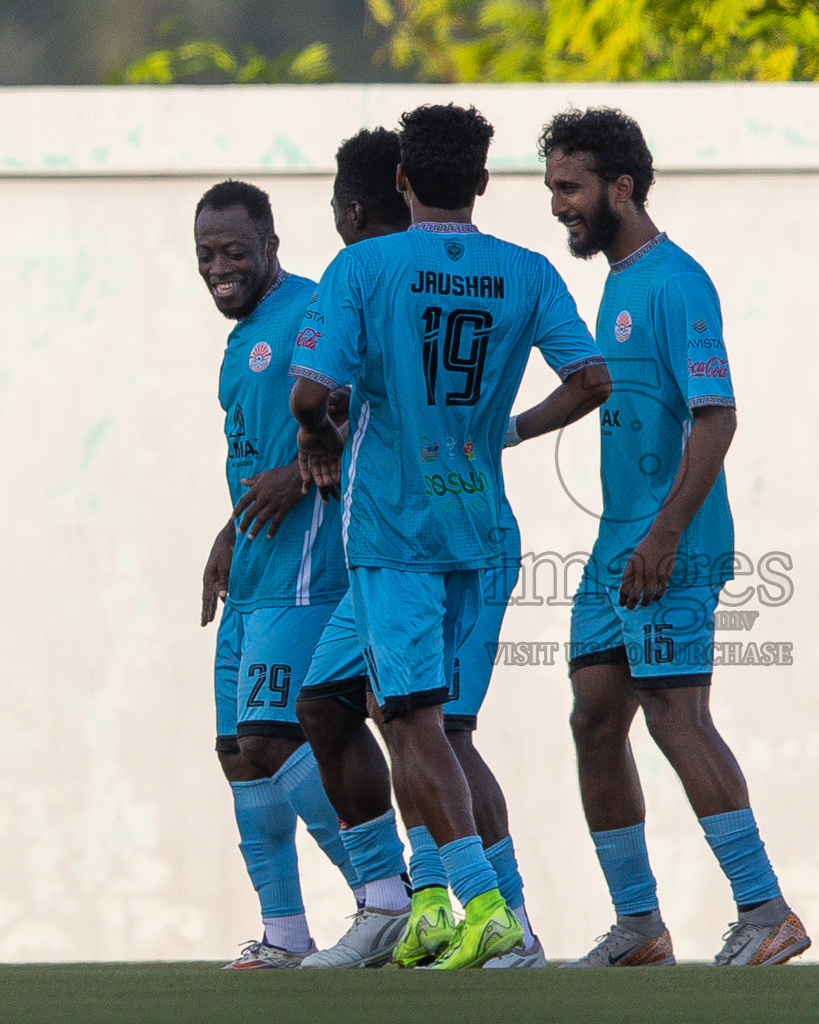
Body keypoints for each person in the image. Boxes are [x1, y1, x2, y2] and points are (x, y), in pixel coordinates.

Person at [288, 103, 611, 970]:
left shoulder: (364, 267)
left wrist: (319, 432)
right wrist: (506, 430)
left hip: (395, 533)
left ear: (400, 179)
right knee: (345, 704)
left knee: (417, 722)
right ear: (480, 180)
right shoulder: (530, 271)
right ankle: (429, 907)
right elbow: (590, 380)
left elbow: (310, 392)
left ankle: (484, 906)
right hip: (481, 525)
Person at [539, 107, 810, 968]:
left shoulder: (675, 282)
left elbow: (718, 418)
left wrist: (662, 535)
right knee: (593, 717)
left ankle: (767, 911)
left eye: (571, 187)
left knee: (675, 717)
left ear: (622, 186)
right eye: (552, 188)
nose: (559, 205)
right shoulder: (617, 280)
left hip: (672, 545)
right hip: (620, 543)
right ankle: (640, 926)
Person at [194, 180, 362, 969]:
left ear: (271, 245)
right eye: (206, 254)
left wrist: (300, 476)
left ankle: (383, 898)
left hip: (305, 564)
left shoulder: (314, 307)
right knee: (237, 749)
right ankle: (285, 933)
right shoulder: (240, 337)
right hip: (253, 565)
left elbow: (362, 405)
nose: (219, 267)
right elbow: (252, 452)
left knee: (273, 734)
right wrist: (229, 531)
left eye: (234, 251)